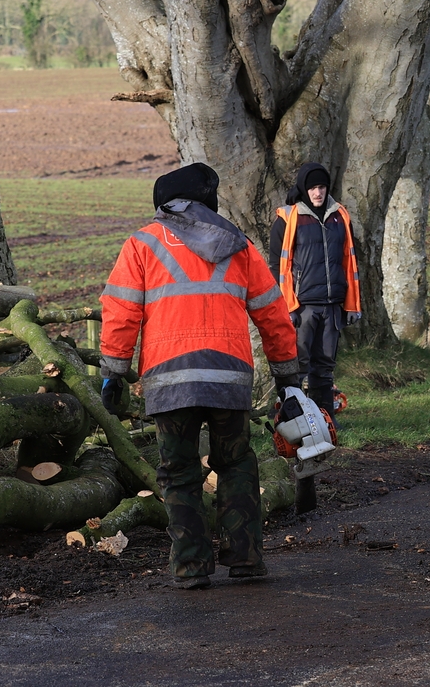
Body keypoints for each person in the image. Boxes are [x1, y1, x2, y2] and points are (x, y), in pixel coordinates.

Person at [99, 163, 302, 589]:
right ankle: (245, 560)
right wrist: (287, 375)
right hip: (228, 378)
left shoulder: (141, 244)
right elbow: (273, 313)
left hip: (170, 380)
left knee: (179, 472)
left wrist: (114, 372)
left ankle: (191, 567)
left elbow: (120, 310)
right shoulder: (239, 245)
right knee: (237, 465)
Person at [268, 163, 361, 417]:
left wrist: (352, 305)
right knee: (297, 366)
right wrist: (287, 307)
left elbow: (350, 261)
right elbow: (277, 266)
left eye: (321, 187)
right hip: (302, 306)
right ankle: (294, 421)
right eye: (312, 188)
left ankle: (325, 421)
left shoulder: (340, 217)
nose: (317, 192)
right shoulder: (287, 219)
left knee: (324, 367)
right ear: (303, 189)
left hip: (333, 305)